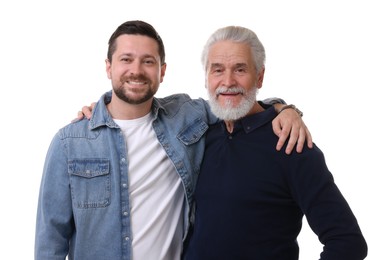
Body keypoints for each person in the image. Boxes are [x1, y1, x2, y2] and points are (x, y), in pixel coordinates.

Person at [34, 20, 312, 260]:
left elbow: (234, 100)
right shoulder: (69, 142)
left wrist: (283, 109)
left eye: (148, 61)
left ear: (162, 71)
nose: (136, 70)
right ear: (108, 67)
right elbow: (50, 241)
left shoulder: (187, 116)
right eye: (126, 59)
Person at [183, 25, 368, 260]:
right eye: (217, 70)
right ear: (207, 78)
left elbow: (347, 243)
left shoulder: (291, 144)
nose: (227, 81)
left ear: (259, 76)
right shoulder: (199, 137)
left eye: (240, 69)